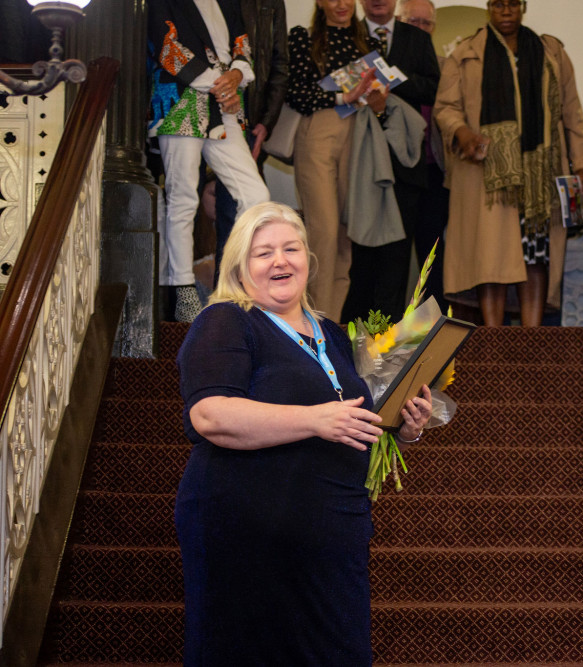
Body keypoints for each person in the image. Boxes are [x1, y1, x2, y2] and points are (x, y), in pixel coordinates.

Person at [175, 201, 433, 663]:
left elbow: (357, 417)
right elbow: (211, 415)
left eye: (291, 249)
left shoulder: (333, 334)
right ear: (238, 266)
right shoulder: (226, 321)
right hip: (246, 533)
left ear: (308, 261)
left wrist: (406, 426)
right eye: (264, 252)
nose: (280, 261)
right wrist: (314, 419)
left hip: (333, 539)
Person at [433, 0, 583, 326]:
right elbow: (445, 108)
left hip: (541, 175)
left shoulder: (551, 53)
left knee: (535, 256)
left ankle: (529, 336)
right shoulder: (465, 53)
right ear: (489, 7)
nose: (505, 10)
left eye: (512, 4)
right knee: (489, 259)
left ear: (522, 7)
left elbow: (571, 113)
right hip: (487, 175)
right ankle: (493, 336)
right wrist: (462, 132)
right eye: (498, 4)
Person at [148, 0, 270, 322]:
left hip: (224, 104)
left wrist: (233, 76)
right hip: (180, 99)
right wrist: (221, 84)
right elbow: (166, 48)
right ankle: (183, 291)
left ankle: (230, 289)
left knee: (255, 196)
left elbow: (242, 46)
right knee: (183, 197)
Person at [342, 0, 441, 323]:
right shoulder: (347, 33)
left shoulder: (417, 38)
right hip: (359, 163)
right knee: (360, 260)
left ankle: (388, 344)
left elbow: (433, 88)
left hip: (404, 164)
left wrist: (390, 78)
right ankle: (352, 340)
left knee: (395, 261)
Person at [286, 0, 382, 322]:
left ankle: (329, 323)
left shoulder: (370, 42)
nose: (341, 4)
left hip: (358, 135)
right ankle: (308, 323)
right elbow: (296, 93)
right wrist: (344, 97)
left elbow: (379, 98)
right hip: (319, 131)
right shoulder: (304, 37)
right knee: (323, 231)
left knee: (344, 237)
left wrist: (377, 99)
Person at [213, 0, 290, 286]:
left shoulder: (271, 3)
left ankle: (235, 300)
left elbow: (279, 64)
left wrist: (265, 124)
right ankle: (184, 307)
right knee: (184, 206)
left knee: (237, 215)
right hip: (196, 108)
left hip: (247, 120)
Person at [397, 0, 450, 310]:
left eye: (425, 23)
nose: (419, 29)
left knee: (434, 255)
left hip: (434, 174)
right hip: (398, 175)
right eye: (411, 23)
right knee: (396, 256)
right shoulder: (389, 66)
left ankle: (432, 325)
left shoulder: (445, 67)